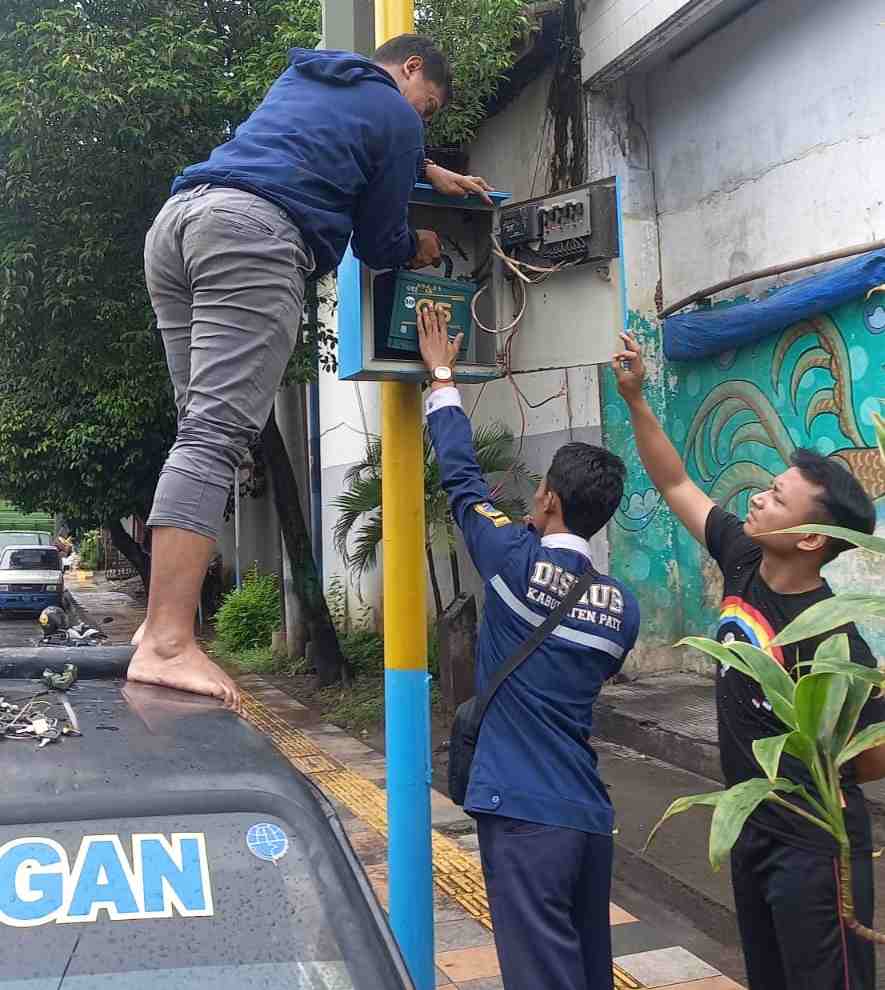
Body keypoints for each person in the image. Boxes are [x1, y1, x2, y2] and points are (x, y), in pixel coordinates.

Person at [131, 35, 494, 708]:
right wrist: (417, 242)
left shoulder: (312, 80)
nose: (423, 120)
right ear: (409, 69)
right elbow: (378, 241)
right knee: (216, 438)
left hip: (180, 225)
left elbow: (346, 141)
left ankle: (159, 624)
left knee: (198, 434)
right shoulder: (392, 113)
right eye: (429, 106)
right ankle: (167, 642)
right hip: (254, 236)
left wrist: (425, 167)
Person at [613, 331, 885, 990]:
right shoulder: (742, 556)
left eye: (775, 498)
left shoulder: (833, 639)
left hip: (814, 850)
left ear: (811, 536)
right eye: (767, 487)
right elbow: (674, 480)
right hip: (751, 831)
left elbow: (874, 758)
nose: (757, 499)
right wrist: (635, 398)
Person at [418, 305, 640, 990]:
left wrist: (441, 378)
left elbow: (461, 483)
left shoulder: (512, 560)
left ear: (545, 499)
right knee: (585, 971)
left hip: (522, 814)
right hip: (586, 816)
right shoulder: (621, 610)